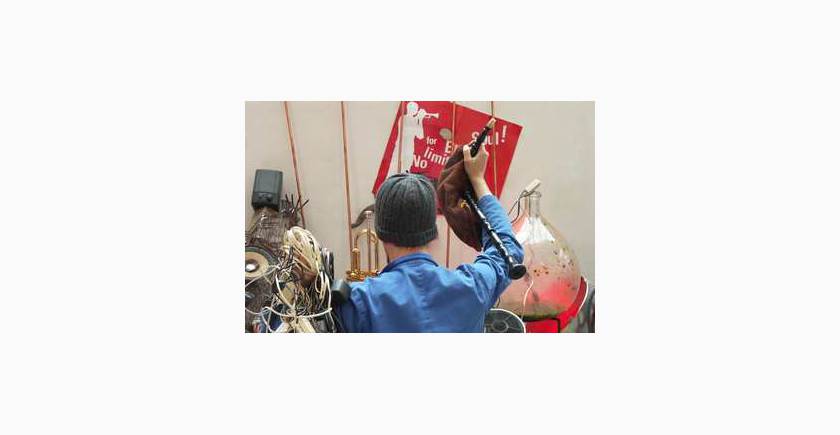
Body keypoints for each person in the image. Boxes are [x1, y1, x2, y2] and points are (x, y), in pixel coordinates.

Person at [338, 142, 524, 332]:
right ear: (434, 232)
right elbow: (508, 250)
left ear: (380, 233)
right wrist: (477, 180)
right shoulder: (473, 286)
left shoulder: (358, 302)